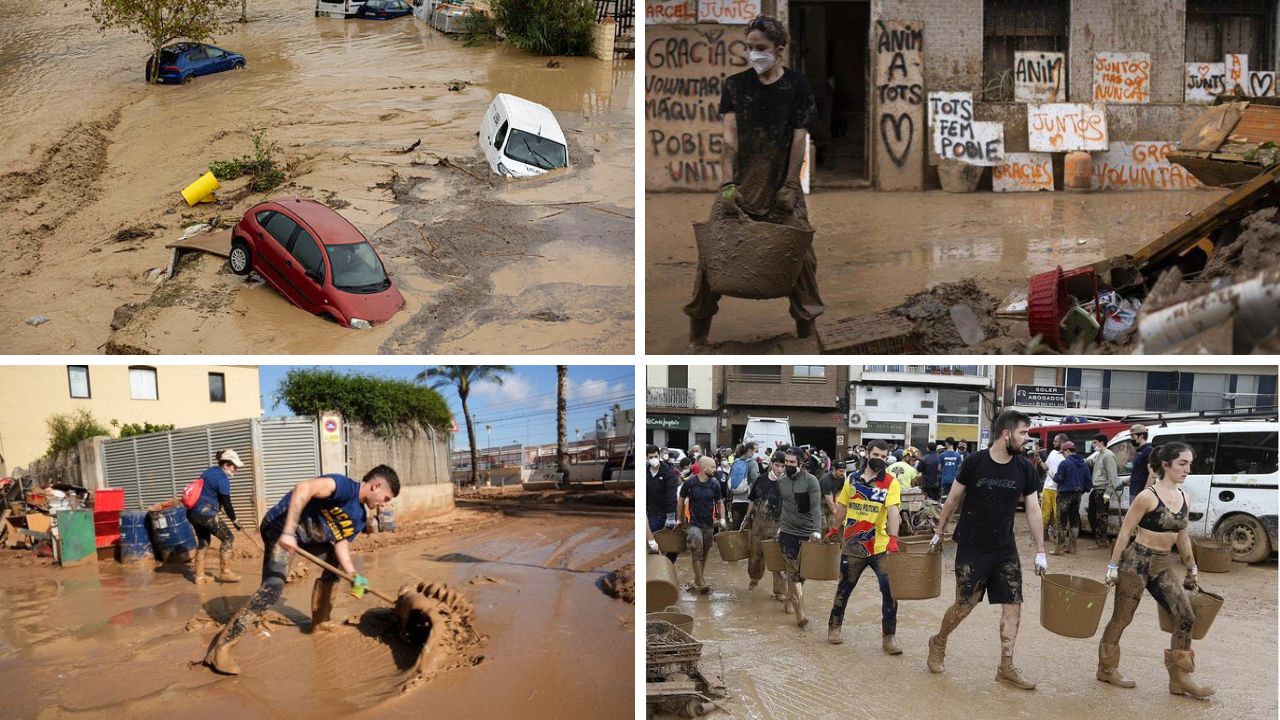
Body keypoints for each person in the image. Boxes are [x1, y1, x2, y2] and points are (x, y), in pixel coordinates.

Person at [684, 14, 823, 346]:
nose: (754, 53)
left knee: (802, 258)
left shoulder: (797, 86)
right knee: (712, 255)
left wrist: (791, 185)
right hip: (740, 185)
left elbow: (798, 139)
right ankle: (697, 340)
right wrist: (728, 185)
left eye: (761, 48)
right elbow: (729, 138)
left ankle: (807, 336)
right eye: (749, 47)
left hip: (781, 186)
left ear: (780, 49)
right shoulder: (735, 85)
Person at [203, 465, 400, 675]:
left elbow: (341, 543)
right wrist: (288, 532)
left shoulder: (359, 518)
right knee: (273, 587)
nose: (383, 505)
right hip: (280, 528)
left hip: (306, 539)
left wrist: (353, 574)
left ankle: (320, 623)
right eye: (386, 498)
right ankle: (221, 649)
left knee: (336, 563)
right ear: (376, 485)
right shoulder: (343, 487)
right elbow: (304, 488)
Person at [927, 410, 1046, 690]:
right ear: (1006, 434)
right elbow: (954, 497)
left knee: (1014, 604)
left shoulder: (1025, 468)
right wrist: (939, 531)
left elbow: (1033, 507)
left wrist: (1041, 549)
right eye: (1023, 433)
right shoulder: (975, 462)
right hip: (972, 547)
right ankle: (939, 641)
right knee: (964, 605)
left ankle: (1006, 667)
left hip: (1005, 548)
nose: (1027, 439)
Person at [1098, 442, 1213, 700]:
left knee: (1186, 616)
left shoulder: (1185, 497)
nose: (1187, 469)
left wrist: (1191, 567)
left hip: (1162, 565)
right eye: (1182, 464)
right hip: (1136, 562)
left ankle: (1180, 678)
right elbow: (1125, 532)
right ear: (1166, 464)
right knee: (1122, 618)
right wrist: (1112, 567)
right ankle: (1106, 669)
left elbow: (1181, 536)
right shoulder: (1147, 497)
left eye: (1189, 464)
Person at [826, 441, 902, 654]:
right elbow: (842, 506)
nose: (880, 458)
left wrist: (893, 538)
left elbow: (894, 512)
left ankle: (889, 638)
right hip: (852, 545)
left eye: (884, 456)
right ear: (867, 454)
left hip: (879, 547)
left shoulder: (890, 482)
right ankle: (834, 628)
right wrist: (834, 529)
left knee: (890, 591)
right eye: (876, 454)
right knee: (844, 588)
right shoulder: (852, 479)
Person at [775, 448, 822, 627]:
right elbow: (782, 506)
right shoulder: (782, 482)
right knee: (792, 570)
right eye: (786, 462)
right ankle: (800, 613)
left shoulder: (811, 481)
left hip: (807, 532)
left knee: (802, 574)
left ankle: (790, 600)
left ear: (800, 464)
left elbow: (816, 507)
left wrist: (817, 530)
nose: (787, 465)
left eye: (791, 463)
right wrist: (779, 527)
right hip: (787, 532)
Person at [188, 449, 245, 585]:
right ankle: (225, 572)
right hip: (205, 514)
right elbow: (227, 503)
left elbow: (207, 491)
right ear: (225, 465)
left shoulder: (210, 471)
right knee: (228, 538)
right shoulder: (223, 479)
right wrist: (235, 521)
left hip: (192, 513)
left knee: (204, 543)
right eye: (234, 466)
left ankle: (199, 576)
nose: (235, 469)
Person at [743, 450, 787, 601]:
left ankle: (780, 591)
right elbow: (752, 501)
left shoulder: (788, 483)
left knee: (778, 560)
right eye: (777, 465)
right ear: (771, 464)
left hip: (779, 526)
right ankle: (754, 580)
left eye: (782, 466)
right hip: (759, 525)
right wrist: (746, 518)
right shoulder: (760, 480)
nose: (779, 469)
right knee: (755, 557)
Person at [680, 457, 728, 594]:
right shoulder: (690, 483)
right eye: (712, 467)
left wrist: (723, 518)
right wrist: (678, 519)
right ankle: (701, 582)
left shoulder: (715, 484)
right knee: (696, 549)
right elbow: (681, 500)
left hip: (708, 524)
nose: (715, 469)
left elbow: (720, 502)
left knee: (705, 553)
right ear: (703, 467)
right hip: (693, 524)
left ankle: (698, 579)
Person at [1051, 441, 1091, 555]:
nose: (1062, 455)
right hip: (1077, 495)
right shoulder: (1083, 464)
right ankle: (1072, 547)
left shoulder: (1064, 464)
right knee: (1074, 520)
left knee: (1061, 522)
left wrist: (1054, 477)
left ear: (1067, 451)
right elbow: (1088, 482)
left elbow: (1058, 478)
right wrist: (1082, 491)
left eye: (1063, 452)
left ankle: (1059, 548)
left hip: (1064, 494)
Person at [645, 445, 682, 562]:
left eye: (655, 456)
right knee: (655, 546)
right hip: (653, 514)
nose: (653, 459)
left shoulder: (668, 473)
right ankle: (657, 573)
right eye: (651, 457)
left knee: (672, 547)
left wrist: (671, 516)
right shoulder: (645, 473)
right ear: (647, 458)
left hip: (667, 513)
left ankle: (668, 567)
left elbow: (671, 495)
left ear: (659, 455)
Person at [1087, 434, 1119, 548]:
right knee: (1092, 515)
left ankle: (1102, 541)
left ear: (1101, 442)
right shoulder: (1098, 455)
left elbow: (1112, 477)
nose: (1093, 444)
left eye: (1095, 442)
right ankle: (1100, 539)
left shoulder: (1108, 456)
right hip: (1096, 489)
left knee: (1101, 516)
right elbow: (1088, 462)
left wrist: (1108, 493)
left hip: (1102, 490)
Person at [1042, 434, 1067, 544]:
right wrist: (1039, 461)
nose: (1053, 443)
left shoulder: (1066, 456)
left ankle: (1058, 536)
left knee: (1058, 515)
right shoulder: (1052, 453)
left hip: (1059, 489)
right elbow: (1045, 468)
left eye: (1055, 441)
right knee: (1045, 514)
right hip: (1047, 488)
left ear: (1061, 442)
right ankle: (1044, 533)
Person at [728, 444, 757, 530]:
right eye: (755, 450)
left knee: (736, 527)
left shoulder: (735, 462)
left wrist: (730, 497)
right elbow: (756, 480)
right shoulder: (752, 462)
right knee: (748, 528)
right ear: (749, 451)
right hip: (749, 501)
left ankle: (735, 543)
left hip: (735, 500)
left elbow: (729, 479)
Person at [1126, 424, 1154, 499]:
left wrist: (1146, 490)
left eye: (1133, 436)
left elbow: (1152, 473)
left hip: (1141, 492)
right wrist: (1123, 483)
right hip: (1134, 491)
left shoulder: (1148, 450)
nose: (1131, 439)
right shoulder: (1139, 451)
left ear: (1141, 436)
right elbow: (1138, 472)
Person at [817, 461, 844, 533]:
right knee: (823, 527)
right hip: (820, 503)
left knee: (833, 525)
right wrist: (838, 514)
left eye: (844, 471)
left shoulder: (842, 478)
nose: (843, 473)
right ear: (834, 469)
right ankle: (818, 543)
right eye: (840, 471)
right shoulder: (826, 480)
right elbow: (830, 502)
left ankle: (831, 542)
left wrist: (838, 508)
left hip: (831, 500)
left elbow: (838, 494)